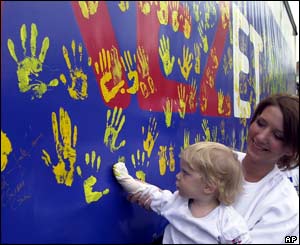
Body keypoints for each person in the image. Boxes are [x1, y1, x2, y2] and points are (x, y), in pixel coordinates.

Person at [129, 93, 299, 244]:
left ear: (291, 149)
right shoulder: (219, 159)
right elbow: (180, 200)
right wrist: (156, 197)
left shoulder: (285, 205)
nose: (261, 137)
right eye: (261, 123)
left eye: (278, 136)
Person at [113, 141, 252, 244]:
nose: (178, 176)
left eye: (185, 173)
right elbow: (151, 193)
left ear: (208, 187)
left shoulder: (229, 223)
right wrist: (126, 180)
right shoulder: (176, 201)